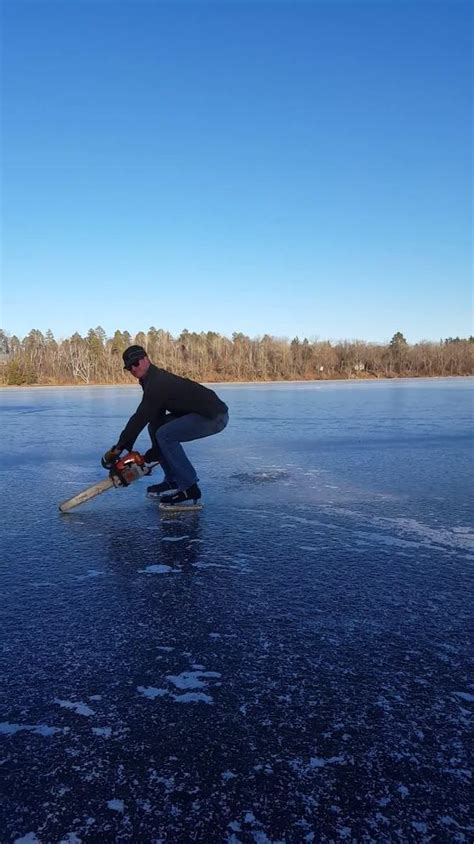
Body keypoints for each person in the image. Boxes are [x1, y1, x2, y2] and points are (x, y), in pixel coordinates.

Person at [102, 345, 229, 506]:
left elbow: (141, 416)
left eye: (136, 363)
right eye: (129, 367)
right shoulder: (149, 379)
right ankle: (173, 480)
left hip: (214, 416)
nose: (133, 369)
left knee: (165, 435)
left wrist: (120, 447)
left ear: (146, 359)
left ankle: (189, 487)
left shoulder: (157, 382)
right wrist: (155, 452)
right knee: (156, 429)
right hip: (197, 412)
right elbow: (155, 418)